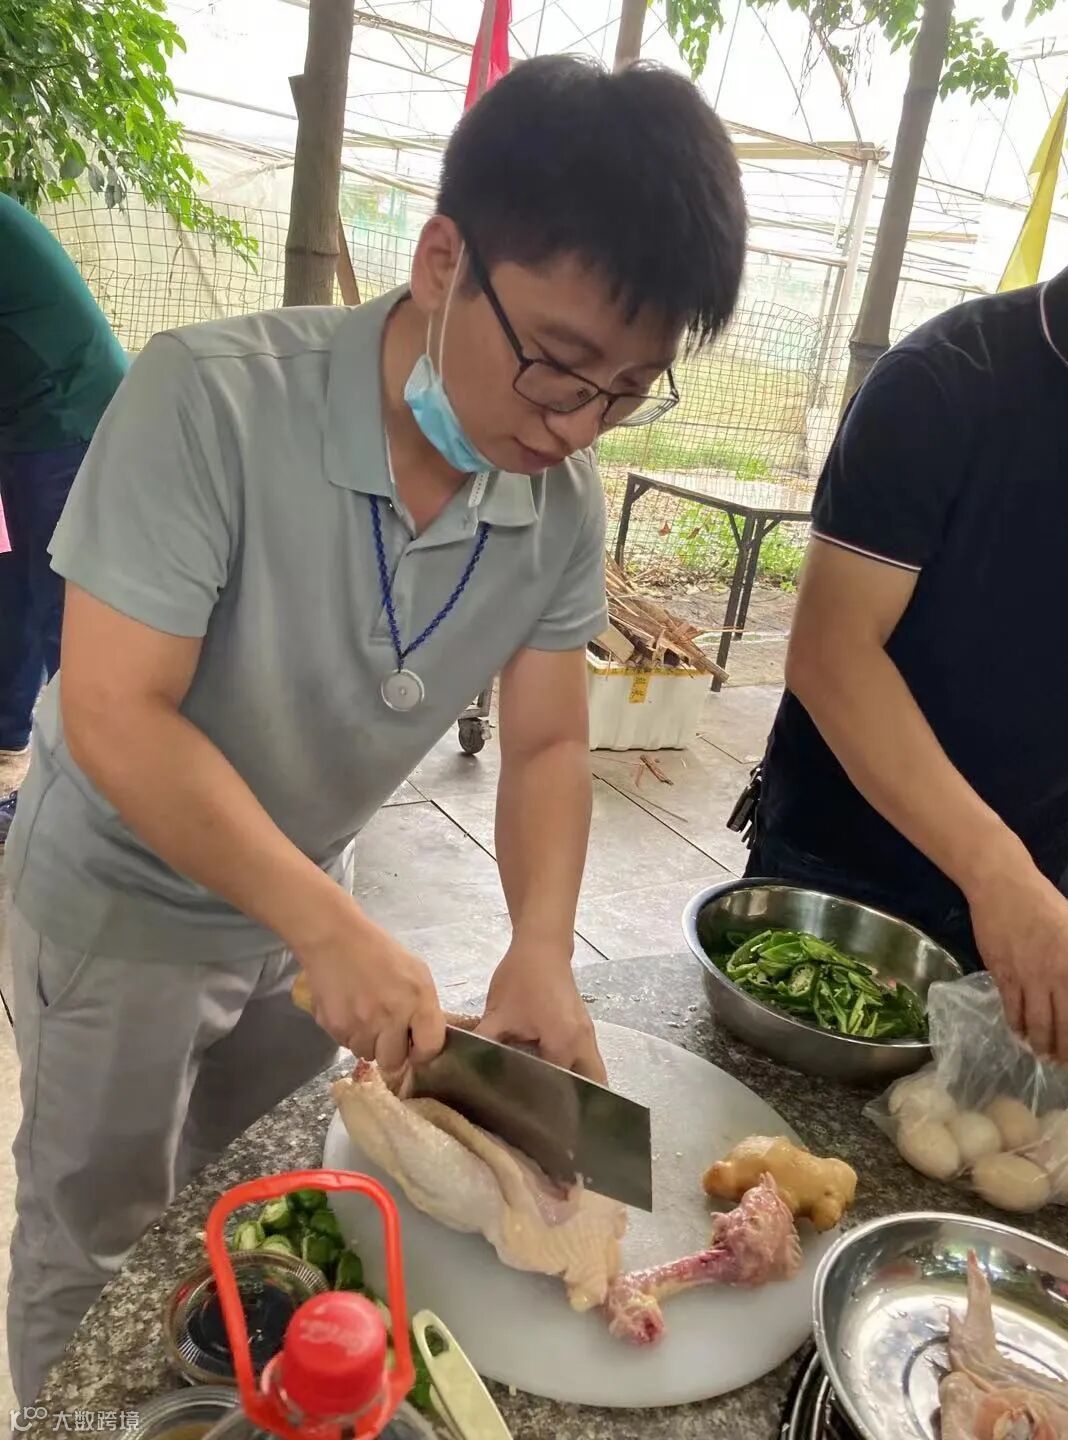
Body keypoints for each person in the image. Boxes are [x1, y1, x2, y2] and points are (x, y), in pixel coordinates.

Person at [4, 57, 747, 1402]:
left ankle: (222, 1406)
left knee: (265, 1202)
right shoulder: (209, 401)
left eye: (629, 389)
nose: (576, 423)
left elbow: (547, 744)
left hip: (306, 900)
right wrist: (326, 925)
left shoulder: (560, 500)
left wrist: (539, 947)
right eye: (559, 364)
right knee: (95, 1235)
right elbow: (116, 710)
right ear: (443, 259)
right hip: (122, 906)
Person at [745, 258, 1068, 1065]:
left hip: (1041, 886)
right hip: (848, 886)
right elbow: (832, 654)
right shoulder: (946, 381)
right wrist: (997, 872)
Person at [0, 194, 128, 843]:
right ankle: (9, 747)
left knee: (64, 612)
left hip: (67, 417)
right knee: (14, 590)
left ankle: (84, 805)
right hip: (30, 417)